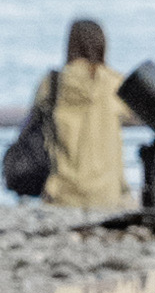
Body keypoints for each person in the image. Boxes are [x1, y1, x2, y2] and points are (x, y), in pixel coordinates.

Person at [43, 18, 131, 211]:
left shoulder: (53, 83)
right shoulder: (113, 83)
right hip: (106, 193)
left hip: (62, 192)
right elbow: (134, 112)